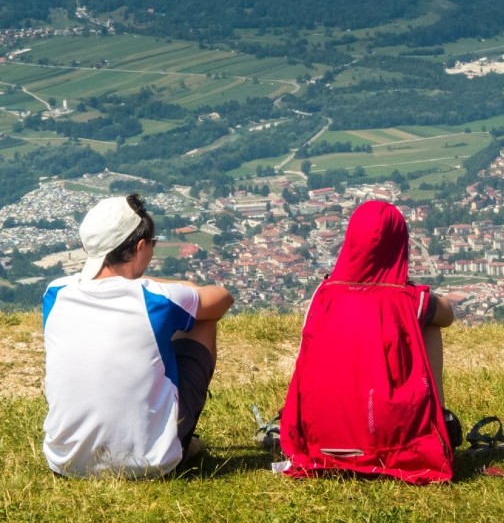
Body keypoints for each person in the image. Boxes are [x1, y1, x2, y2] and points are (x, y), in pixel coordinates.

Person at [41, 194, 233, 479]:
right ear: (140, 246)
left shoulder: (56, 293)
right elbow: (222, 299)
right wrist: (165, 283)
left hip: (66, 462)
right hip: (149, 463)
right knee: (203, 319)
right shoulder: (155, 298)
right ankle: (178, 440)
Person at [279, 200, 458, 484]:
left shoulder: (323, 295)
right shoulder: (409, 300)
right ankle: (441, 422)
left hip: (318, 441)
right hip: (387, 443)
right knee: (429, 325)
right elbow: (447, 315)